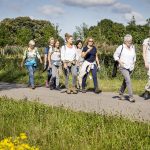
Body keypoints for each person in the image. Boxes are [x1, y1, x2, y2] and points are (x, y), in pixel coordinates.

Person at [113, 34, 136, 102]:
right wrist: (120, 62)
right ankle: (131, 97)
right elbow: (115, 55)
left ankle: (120, 92)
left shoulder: (133, 47)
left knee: (125, 81)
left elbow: (134, 56)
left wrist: (134, 63)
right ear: (125, 41)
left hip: (131, 67)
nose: (130, 42)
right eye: (128, 41)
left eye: (131, 41)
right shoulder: (121, 47)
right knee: (128, 80)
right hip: (123, 67)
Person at [142, 34, 150, 100]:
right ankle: (147, 91)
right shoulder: (146, 41)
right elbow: (144, 52)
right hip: (149, 61)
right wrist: (145, 62)